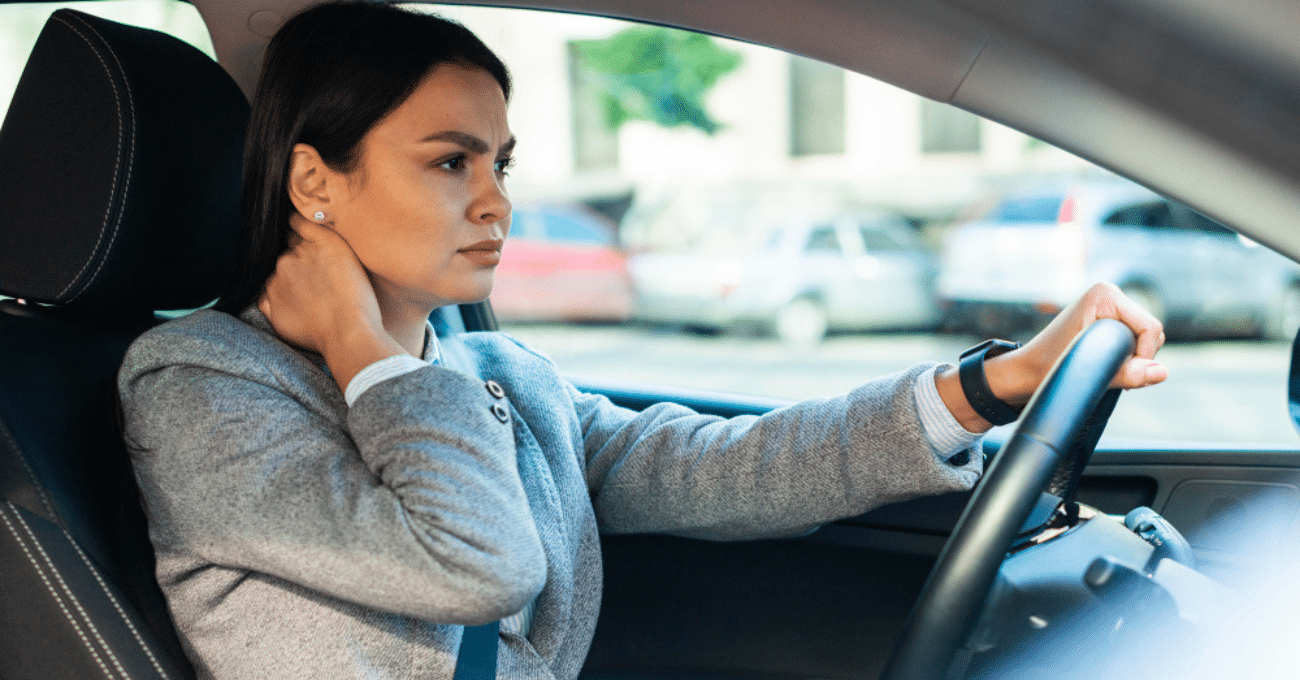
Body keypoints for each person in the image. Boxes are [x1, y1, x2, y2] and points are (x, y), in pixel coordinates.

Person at [116, 3, 1168, 679]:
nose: (496, 202)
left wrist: (994, 383)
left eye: (501, 163)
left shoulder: (495, 375)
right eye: (449, 162)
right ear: (314, 180)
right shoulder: (200, 390)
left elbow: (726, 465)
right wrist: (360, 345)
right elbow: (476, 564)